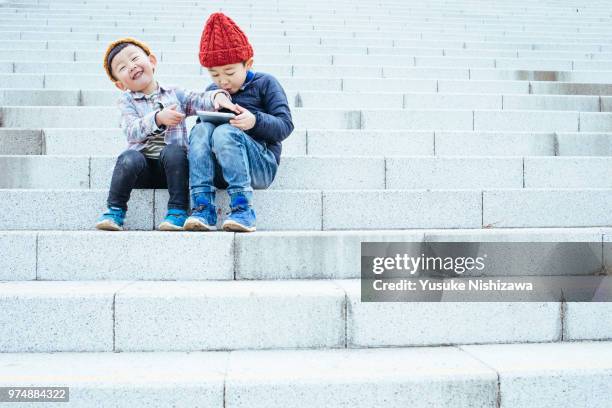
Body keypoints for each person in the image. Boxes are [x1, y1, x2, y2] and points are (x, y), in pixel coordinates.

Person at [95, 37, 234, 231]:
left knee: (175, 151)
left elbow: (198, 99)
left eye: (135, 58)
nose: (132, 66)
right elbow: (131, 131)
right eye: (122, 67)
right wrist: (158, 118)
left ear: (152, 61)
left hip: (174, 170)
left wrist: (217, 96)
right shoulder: (126, 101)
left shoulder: (174, 93)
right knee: (128, 157)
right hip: (142, 171)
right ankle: (115, 210)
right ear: (120, 84)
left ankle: (177, 211)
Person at [185, 13, 294, 233]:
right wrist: (213, 104)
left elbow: (285, 125)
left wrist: (254, 121)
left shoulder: (266, 83)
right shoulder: (213, 92)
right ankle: (202, 206)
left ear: (248, 64)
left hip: (259, 166)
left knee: (226, 132)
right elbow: (202, 138)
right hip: (220, 169)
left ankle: (243, 209)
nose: (223, 80)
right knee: (200, 130)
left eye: (230, 72)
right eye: (214, 74)